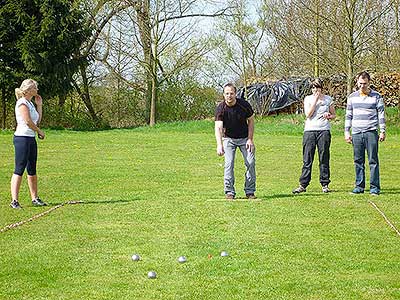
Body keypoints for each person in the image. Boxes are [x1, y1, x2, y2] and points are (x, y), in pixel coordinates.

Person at [345, 71, 386, 195]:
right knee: (358, 160)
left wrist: (382, 130)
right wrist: (347, 131)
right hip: (357, 132)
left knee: (373, 160)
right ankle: (359, 186)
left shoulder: (376, 96)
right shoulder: (352, 97)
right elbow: (348, 115)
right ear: (357, 82)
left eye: (365, 83)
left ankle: (374, 188)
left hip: (371, 132)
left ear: (369, 83)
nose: (362, 86)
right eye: (360, 83)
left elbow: (381, 114)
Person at [293, 78, 336, 194]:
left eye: (317, 87)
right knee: (307, 158)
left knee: (324, 158)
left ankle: (325, 183)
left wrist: (329, 115)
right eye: (313, 87)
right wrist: (316, 100)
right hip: (310, 131)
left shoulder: (328, 99)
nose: (315, 89)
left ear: (321, 88)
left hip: (324, 130)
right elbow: (308, 114)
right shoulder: (308, 99)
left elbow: (334, 115)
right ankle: (303, 184)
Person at [215, 83, 256, 200]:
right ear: (223, 95)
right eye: (227, 93)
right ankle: (229, 192)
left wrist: (250, 139)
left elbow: (251, 121)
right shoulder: (220, 108)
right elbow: (218, 127)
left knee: (250, 162)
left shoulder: (244, 105)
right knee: (229, 164)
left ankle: (250, 191)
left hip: (244, 138)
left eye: (231, 93)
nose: (229, 96)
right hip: (229, 139)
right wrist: (219, 144)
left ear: (235, 94)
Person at [10, 79, 47, 209]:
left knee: (32, 169)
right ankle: (14, 200)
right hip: (22, 139)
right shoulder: (22, 103)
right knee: (19, 169)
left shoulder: (31, 103)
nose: (37, 90)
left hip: (30, 138)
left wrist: (39, 105)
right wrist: (40, 132)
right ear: (28, 90)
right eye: (35, 88)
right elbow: (28, 122)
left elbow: (36, 121)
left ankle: (35, 198)